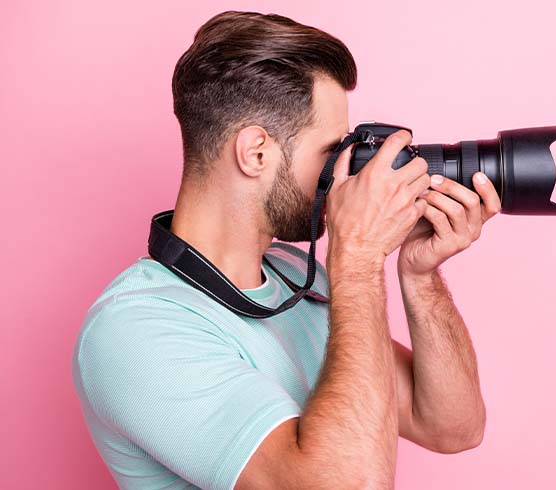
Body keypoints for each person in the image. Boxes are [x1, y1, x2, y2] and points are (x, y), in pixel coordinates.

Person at [71, 10, 502, 490]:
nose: (342, 172)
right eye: (330, 150)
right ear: (256, 153)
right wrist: (356, 258)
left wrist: (419, 277)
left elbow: (453, 427)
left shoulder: (296, 275)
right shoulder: (133, 328)